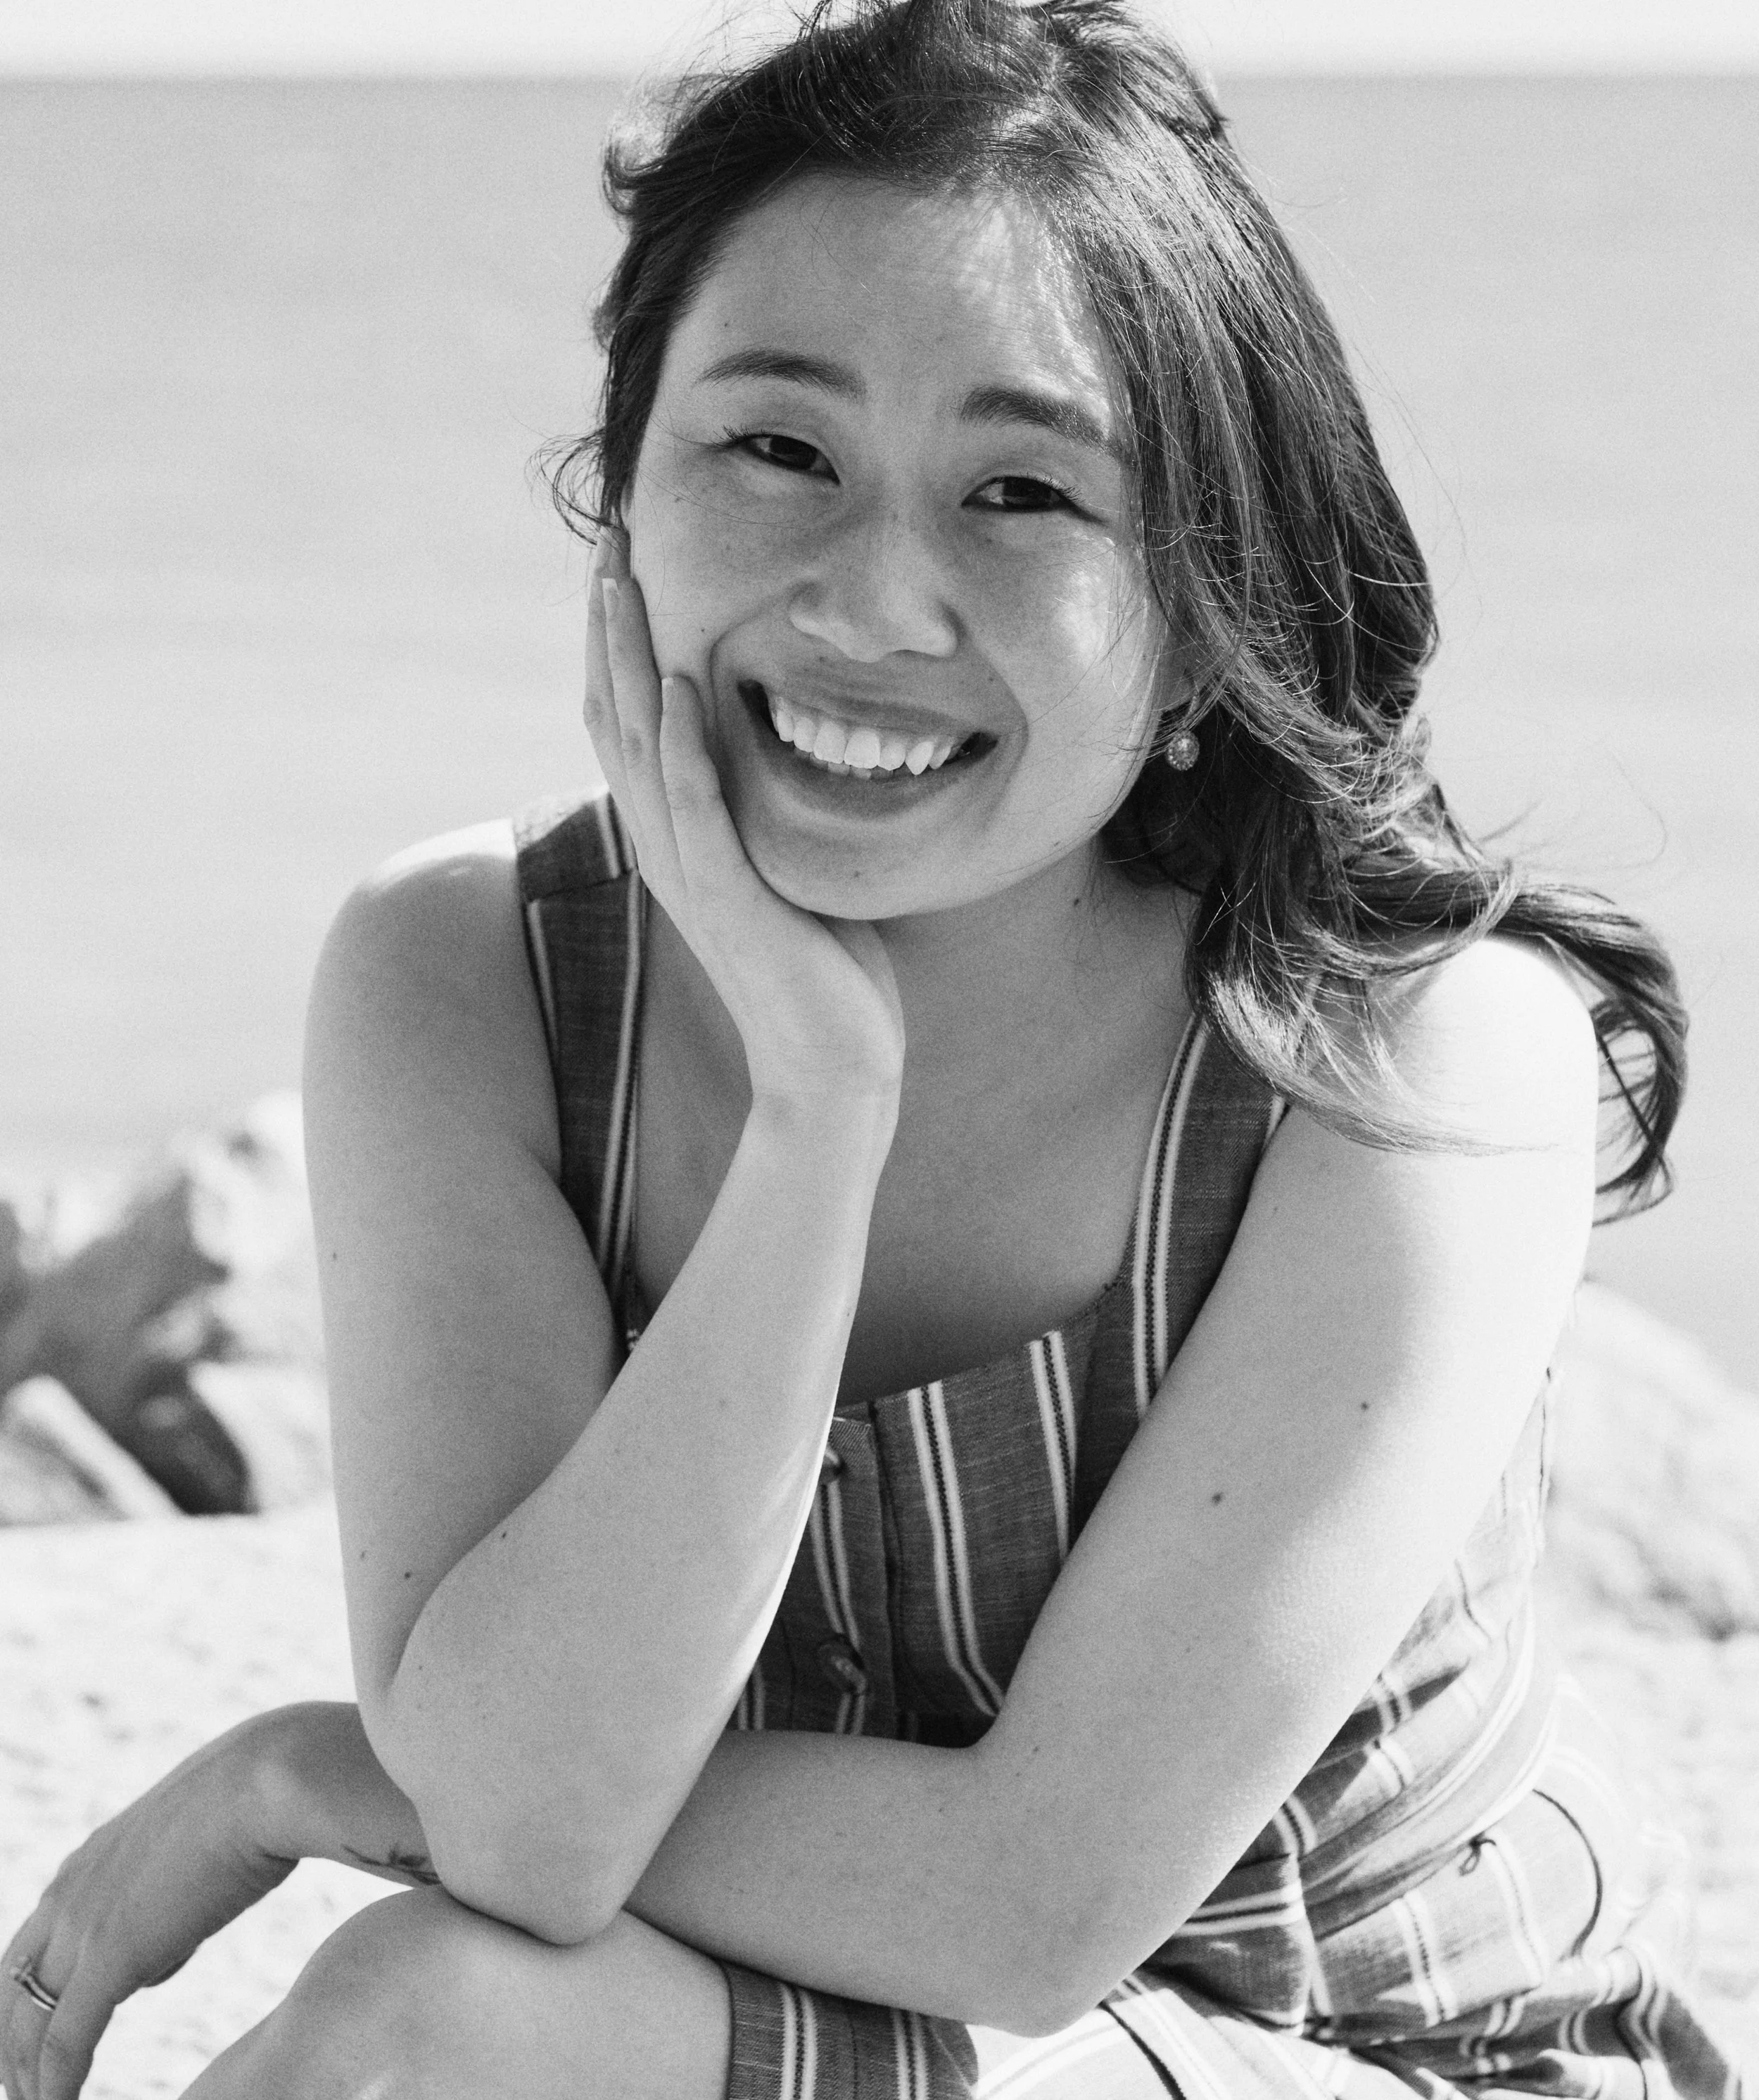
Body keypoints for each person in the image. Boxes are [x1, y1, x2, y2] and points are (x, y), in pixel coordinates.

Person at [2, 1, 1748, 2095]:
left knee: (430, 2012)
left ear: (1207, 621)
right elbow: (528, 1817)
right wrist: (817, 1114)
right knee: (423, 2016)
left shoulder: (1405, 1067)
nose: (873, 605)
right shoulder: (472, 978)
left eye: (1022, 491)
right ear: (620, 498)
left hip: (1380, 2062)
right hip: (819, 2021)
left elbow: (1025, 1915)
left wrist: (308, 1772)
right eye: (777, 451)